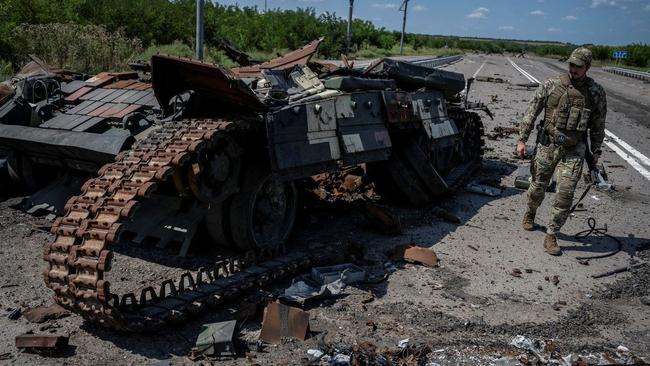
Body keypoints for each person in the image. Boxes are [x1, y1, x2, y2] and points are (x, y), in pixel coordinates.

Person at [516, 47, 607, 256]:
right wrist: (522, 139)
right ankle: (530, 212)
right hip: (548, 145)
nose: (573, 70)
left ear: (588, 67)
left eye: (578, 66)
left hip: (575, 149)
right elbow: (532, 111)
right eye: (571, 65)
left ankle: (551, 234)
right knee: (538, 186)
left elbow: (598, 124)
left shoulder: (595, 92)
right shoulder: (551, 85)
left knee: (565, 194)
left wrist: (596, 151)